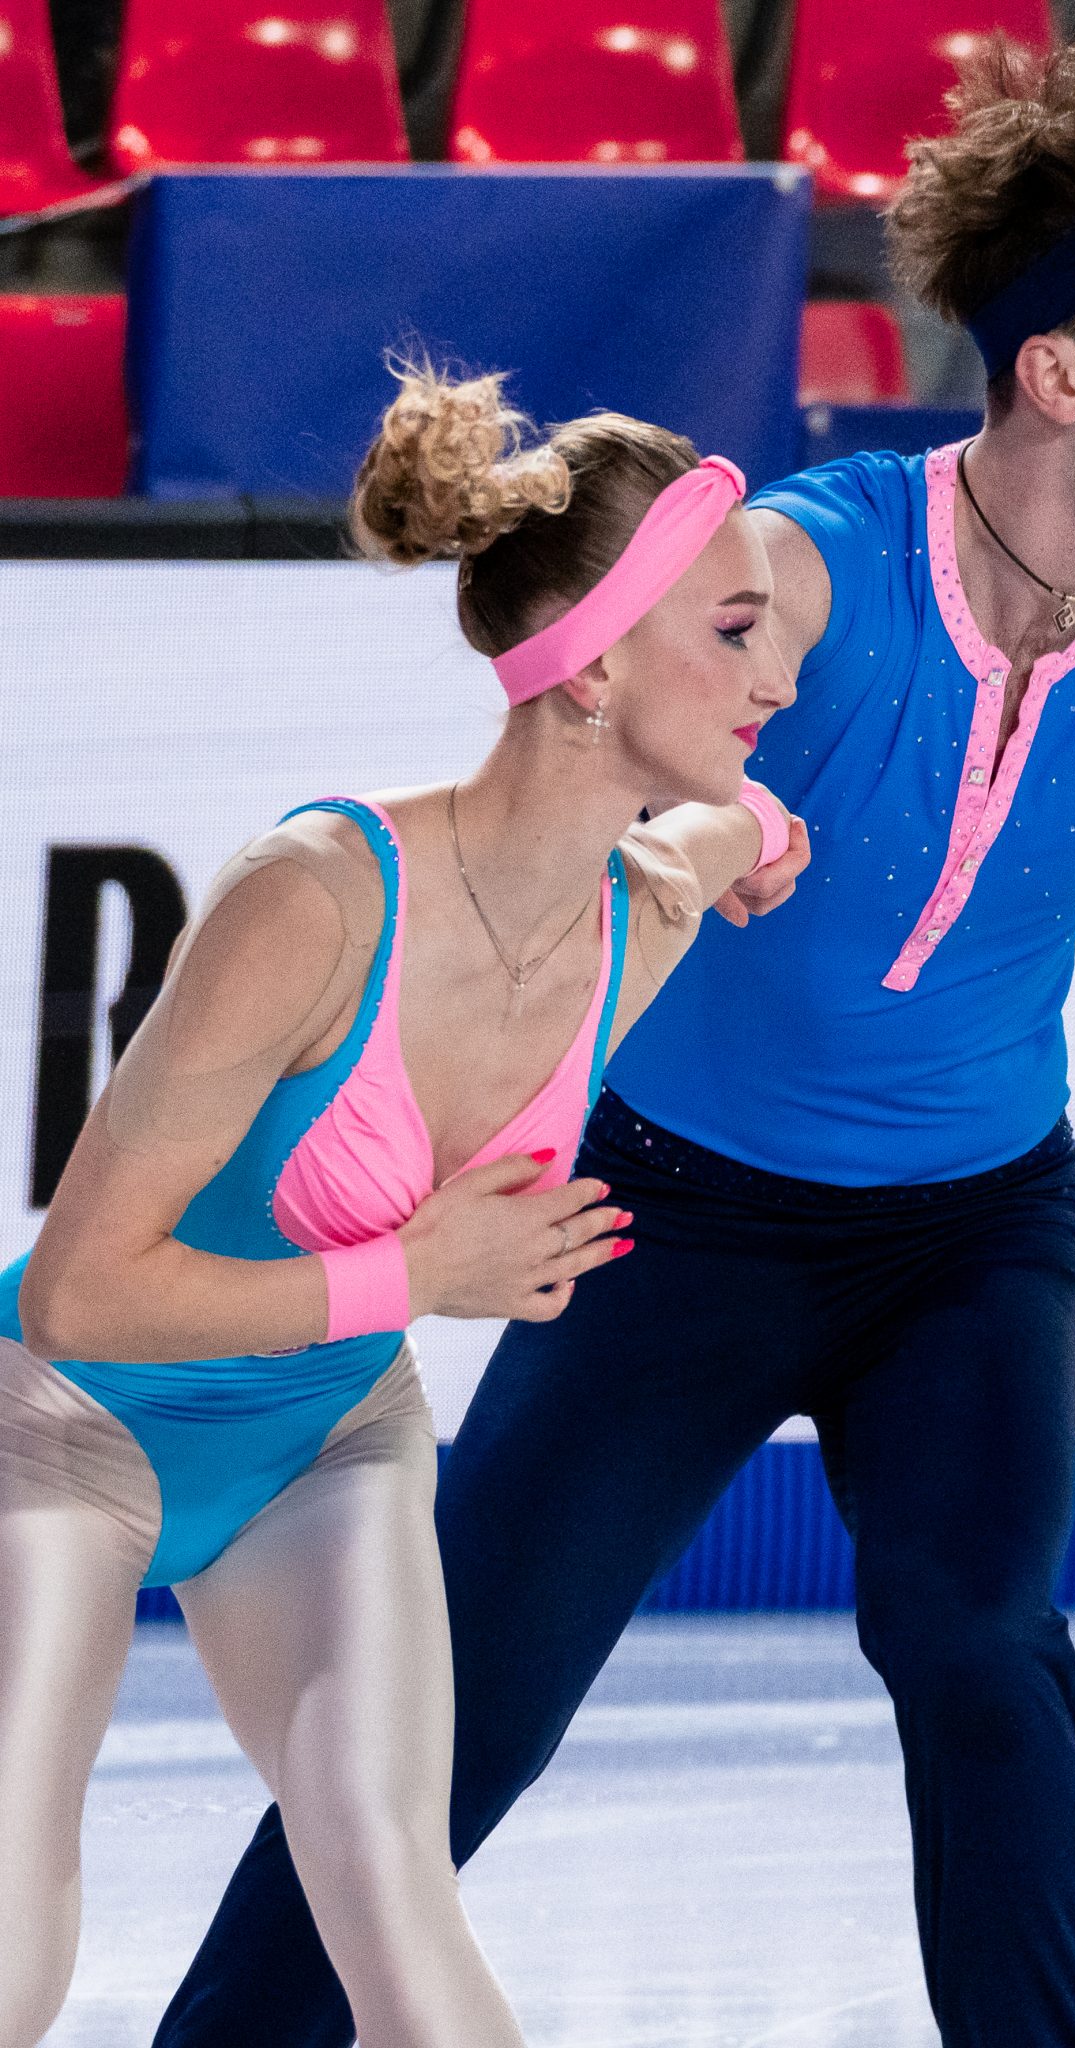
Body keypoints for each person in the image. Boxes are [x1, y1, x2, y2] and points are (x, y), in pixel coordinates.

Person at [153, 32, 1075, 2048]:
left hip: (968, 1238)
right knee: (455, 1707)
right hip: (665, 1219)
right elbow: (627, 662)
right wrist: (680, 834)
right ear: (1058, 375)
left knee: (982, 1645)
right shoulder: (820, 558)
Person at [0, 364, 799, 2048]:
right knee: (10, 1936)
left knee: (390, 1884)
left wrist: (762, 825)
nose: (777, 675)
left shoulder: (644, 913)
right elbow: (76, 1295)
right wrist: (415, 1270)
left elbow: (719, 841)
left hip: (323, 1443)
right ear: (590, 665)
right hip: (63, 1425)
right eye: (734, 632)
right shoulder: (311, 896)